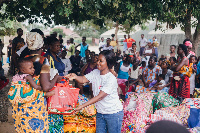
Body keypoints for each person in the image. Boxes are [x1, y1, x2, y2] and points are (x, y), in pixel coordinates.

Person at [8, 30, 62, 133]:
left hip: (21, 108)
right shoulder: (43, 60)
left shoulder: (24, 61)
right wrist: (56, 77)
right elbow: (46, 87)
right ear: (42, 45)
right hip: (35, 108)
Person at [66, 50, 123, 133]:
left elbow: (99, 97)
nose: (97, 63)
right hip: (100, 112)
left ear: (108, 62)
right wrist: (75, 76)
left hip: (113, 113)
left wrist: (82, 106)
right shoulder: (96, 72)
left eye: (101, 61)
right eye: (97, 60)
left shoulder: (110, 78)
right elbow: (83, 79)